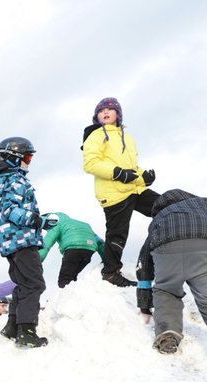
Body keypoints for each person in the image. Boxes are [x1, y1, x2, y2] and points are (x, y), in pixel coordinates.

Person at [136, 189, 207, 367]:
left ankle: (168, 331)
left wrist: (144, 303)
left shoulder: (160, 217)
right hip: (206, 252)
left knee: (166, 291)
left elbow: (144, 259)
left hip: (166, 254)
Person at [0, 136, 53, 348]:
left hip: (10, 241)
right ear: (13, 158)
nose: (29, 162)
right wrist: (38, 220)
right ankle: (27, 332)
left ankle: (13, 326)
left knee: (22, 284)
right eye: (28, 157)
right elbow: (10, 210)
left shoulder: (3, 180)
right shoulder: (14, 179)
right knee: (34, 284)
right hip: (21, 240)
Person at [82, 97, 159, 287]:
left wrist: (144, 177)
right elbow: (90, 163)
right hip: (113, 193)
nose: (105, 112)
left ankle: (175, 247)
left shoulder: (128, 137)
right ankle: (110, 272)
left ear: (118, 113)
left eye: (109, 109)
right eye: (101, 111)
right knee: (118, 234)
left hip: (134, 189)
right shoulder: (96, 135)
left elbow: (131, 167)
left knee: (165, 206)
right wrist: (117, 173)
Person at [38, 212, 106, 288]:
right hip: (89, 250)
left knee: (65, 278)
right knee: (73, 275)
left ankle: (65, 297)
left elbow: (47, 243)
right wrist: (107, 259)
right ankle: (74, 295)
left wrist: (38, 259)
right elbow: (100, 242)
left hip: (72, 249)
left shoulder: (57, 225)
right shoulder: (84, 225)